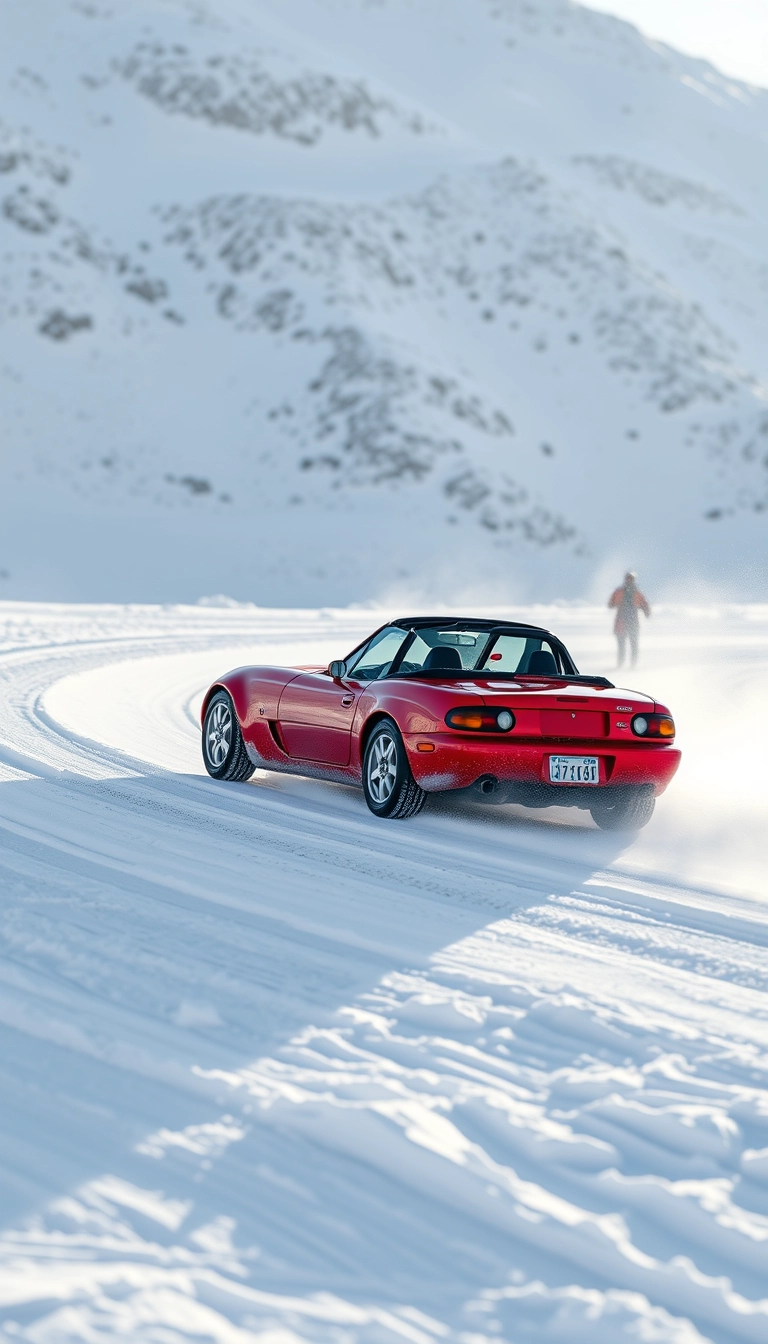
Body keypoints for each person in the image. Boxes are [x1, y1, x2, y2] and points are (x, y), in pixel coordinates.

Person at [608, 571, 650, 667]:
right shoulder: (623, 592)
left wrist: (646, 612)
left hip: (631, 621)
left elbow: (644, 604)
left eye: (630, 579)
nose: (629, 580)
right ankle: (621, 664)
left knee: (633, 644)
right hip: (623, 621)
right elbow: (611, 604)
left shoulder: (636, 593)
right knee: (623, 645)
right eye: (628, 578)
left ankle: (632, 664)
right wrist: (646, 612)